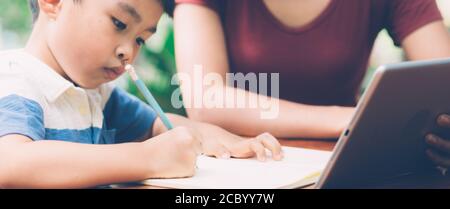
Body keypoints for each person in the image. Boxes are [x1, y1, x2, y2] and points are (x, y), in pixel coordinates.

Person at [0, 0, 283, 189]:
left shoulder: (96, 95)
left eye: (140, 40)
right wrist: (148, 158)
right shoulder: (14, 78)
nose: (128, 52)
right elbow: (10, 163)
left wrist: (227, 143)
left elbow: (157, 126)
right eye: (119, 24)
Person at [166, 0, 450, 170]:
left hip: (343, 164)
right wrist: (355, 118)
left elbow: (443, 80)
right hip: (241, 165)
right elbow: (205, 99)